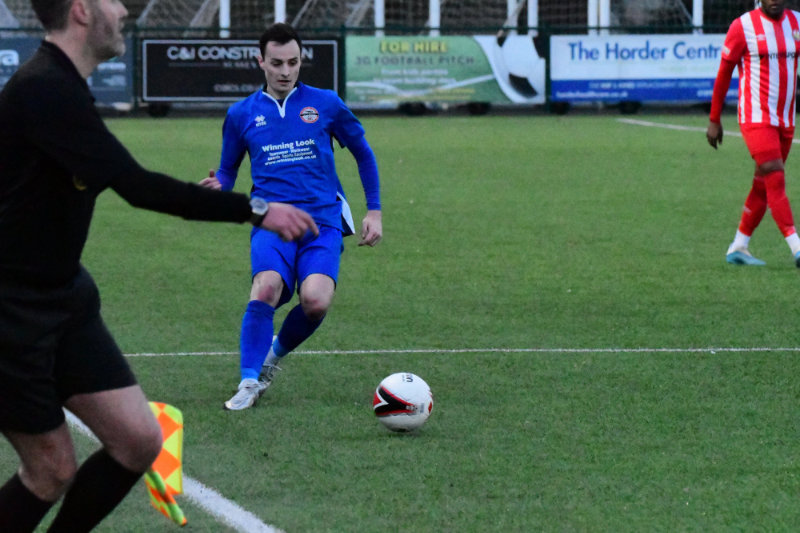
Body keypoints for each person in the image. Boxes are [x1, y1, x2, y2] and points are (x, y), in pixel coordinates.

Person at [0, 1, 317, 531]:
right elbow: (138, 186)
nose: (123, 9)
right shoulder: (44, 89)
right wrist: (257, 209)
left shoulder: (63, 86)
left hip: (64, 296)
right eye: (111, 0)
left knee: (139, 439)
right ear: (81, 10)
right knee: (51, 469)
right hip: (11, 310)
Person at [199, 22, 382, 411]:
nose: (286, 71)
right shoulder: (241, 114)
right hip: (270, 221)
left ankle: (271, 357)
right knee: (266, 288)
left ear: (301, 61)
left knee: (315, 301)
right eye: (277, 63)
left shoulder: (326, 103)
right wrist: (220, 187)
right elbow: (228, 169)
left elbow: (363, 153)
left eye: (293, 62)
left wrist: (375, 211)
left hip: (322, 222)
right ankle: (248, 380)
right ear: (261, 61)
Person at [707, 0, 800, 267]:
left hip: (785, 118)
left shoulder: (796, 22)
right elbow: (724, 73)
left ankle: (739, 246)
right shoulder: (743, 26)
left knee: (763, 184)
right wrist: (714, 119)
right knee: (774, 173)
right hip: (755, 117)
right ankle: (796, 246)